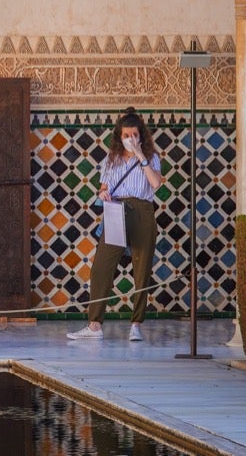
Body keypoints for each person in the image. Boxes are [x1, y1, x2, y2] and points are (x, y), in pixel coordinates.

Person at [68, 108, 163, 342]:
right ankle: (94, 325)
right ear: (119, 136)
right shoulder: (111, 158)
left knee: (141, 270)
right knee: (101, 267)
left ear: (141, 135)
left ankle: (136, 325)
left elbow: (156, 184)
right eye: (125, 135)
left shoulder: (151, 158)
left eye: (134, 135)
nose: (130, 139)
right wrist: (103, 194)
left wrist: (141, 155)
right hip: (116, 210)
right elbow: (103, 187)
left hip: (142, 210)